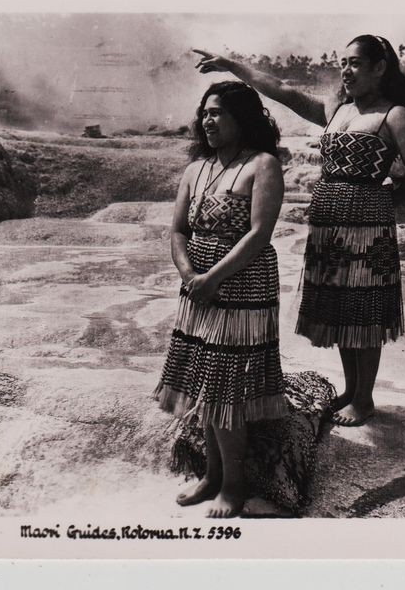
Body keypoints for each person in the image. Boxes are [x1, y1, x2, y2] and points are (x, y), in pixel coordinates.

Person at [194, 35, 405, 427]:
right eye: (343, 63)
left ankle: (365, 398)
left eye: (355, 63)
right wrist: (232, 66)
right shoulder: (336, 109)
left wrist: (383, 205)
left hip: (368, 231)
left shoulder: (396, 116)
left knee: (364, 313)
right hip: (327, 226)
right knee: (340, 308)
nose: (346, 71)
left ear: (380, 67)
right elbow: (283, 90)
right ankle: (351, 389)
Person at [155, 80, 288, 518]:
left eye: (218, 113)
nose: (207, 121)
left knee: (226, 387)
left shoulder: (263, 164)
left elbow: (258, 234)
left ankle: (234, 484)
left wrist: (213, 277)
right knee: (204, 382)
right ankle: (211, 476)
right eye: (205, 112)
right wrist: (191, 274)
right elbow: (177, 231)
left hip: (242, 285)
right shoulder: (196, 170)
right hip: (198, 287)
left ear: (242, 119)